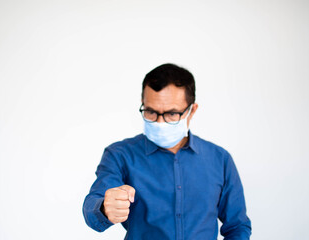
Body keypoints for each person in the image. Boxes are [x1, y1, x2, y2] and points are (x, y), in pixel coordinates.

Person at [82, 63, 252, 239]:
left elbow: (237, 226)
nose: (160, 123)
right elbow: (92, 207)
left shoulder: (220, 160)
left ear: (192, 111)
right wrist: (104, 208)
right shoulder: (119, 155)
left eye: (171, 114)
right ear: (143, 104)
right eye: (151, 112)